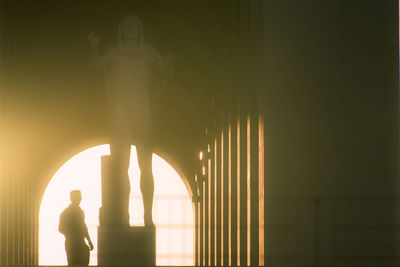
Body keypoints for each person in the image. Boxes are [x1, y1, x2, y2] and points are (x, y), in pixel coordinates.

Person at [88, 15, 173, 227]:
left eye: (134, 25)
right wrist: (94, 47)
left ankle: (147, 215)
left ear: (139, 29)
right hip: (120, 112)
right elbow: (96, 64)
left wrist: (168, 62)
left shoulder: (149, 53)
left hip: (142, 110)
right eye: (126, 25)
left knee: (146, 166)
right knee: (121, 166)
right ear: (121, 30)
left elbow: (164, 70)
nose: (130, 29)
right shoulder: (113, 54)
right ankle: (123, 216)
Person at [59, 190, 94, 266]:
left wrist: (89, 241)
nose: (80, 200)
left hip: (75, 243)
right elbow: (83, 228)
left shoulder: (68, 212)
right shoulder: (70, 212)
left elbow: (84, 227)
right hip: (74, 243)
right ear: (73, 199)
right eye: (78, 198)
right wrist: (89, 241)